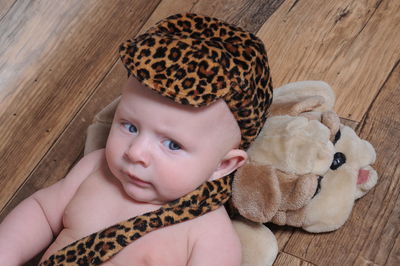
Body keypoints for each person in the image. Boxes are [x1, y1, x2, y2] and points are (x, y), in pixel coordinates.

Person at [0, 13, 272, 265]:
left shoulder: (209, 238)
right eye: (129, 126)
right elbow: (41, 212)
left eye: (172, 144)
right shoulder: (94, 170)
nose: (136, 152)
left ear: (222, 165)